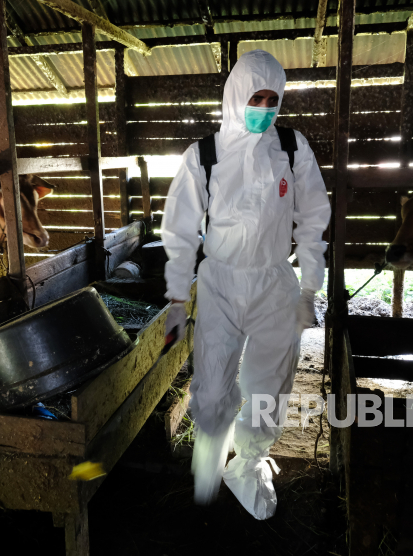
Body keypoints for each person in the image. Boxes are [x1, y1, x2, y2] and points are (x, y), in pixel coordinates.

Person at [160, 49, 331, 520]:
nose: (264, 107)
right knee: (213, 384)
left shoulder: (293, 148)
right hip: (219, 281)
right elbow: (179, 229)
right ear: (236, 95)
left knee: (269, 383)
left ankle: (249, 464)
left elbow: (314, 217)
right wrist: (178, 295)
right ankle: (208, 461)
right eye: (255, 97)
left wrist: (309, 287)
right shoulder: (205, 155)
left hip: (275, 281)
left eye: (273, 99)